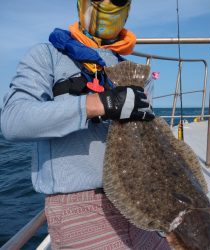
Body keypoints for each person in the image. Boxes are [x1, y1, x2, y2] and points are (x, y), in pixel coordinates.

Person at [1, 0, 170, 249]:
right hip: (80, 209)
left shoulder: (134, 72)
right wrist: (97, 104)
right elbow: (13, 120)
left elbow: (146, 141)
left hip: (143, 199)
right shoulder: (47, 55)